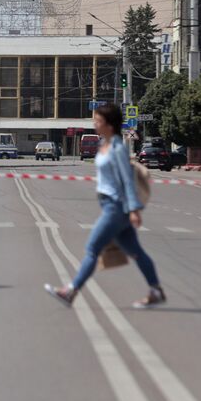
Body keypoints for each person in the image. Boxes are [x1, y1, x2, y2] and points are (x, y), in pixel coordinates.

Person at [44, 103, 165, 308]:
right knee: (136, 251)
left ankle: (70, 291)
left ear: (109, 125)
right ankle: (156, 290)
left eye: (98, 121)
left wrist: (134, 210)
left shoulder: (117, 148)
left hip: (116, 208)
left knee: (92, 248)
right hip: (113, 206)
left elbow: (127, 180)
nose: (95, 124)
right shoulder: (105, 144)